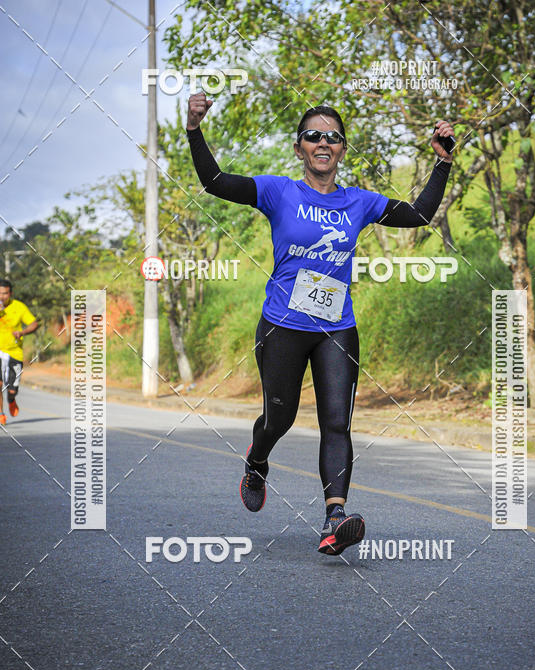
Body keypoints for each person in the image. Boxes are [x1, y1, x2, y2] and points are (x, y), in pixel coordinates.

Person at [186, 95, 453, 554]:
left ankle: (335, 516)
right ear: (300, 149)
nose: (323, 142)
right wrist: (194, 128)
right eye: (313, 136)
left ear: (342, 150)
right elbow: (213, 181)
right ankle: (257, 461)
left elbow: (419, 215)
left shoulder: (359, 202)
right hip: (282, 326)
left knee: (337, 423)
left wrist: (443, 163)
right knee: (279, 417)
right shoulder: (279, 192)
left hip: (336, 327)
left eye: (332, 136)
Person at [0, 279, 39, 425]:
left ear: (10, 293)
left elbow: (34, 324)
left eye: (4, 294)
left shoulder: (19, 307)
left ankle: (11, 399)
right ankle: (1, 414)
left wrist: (22, 332)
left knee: (12, 389)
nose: (1, 297)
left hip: (14, 353)